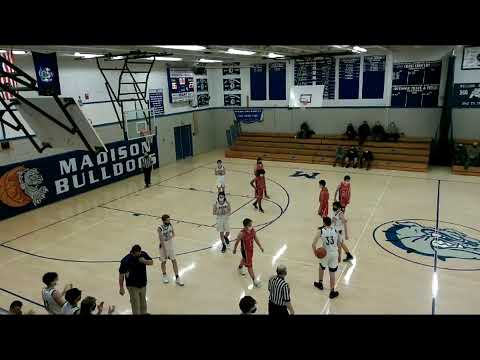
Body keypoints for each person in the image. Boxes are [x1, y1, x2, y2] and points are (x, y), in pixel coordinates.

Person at [119, 244, 154, 315]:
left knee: (143, 303)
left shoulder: (143, 254)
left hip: (143, 284)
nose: (139, 256)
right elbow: (121, 275)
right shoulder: (126, 261)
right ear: (132, 253)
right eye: (137, 255)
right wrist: (121, 288)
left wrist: (145, 261)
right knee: (136, 304)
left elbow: (151, 262)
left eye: (140, 254)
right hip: (132, 286)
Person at [312, 217, 340, 299]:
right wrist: (340, 255)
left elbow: (313, 244)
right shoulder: (335, 230)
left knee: (321, 267)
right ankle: (332, 291)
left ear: (324, 223)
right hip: (334, 254)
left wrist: (315, 253)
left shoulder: (321, 231)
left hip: (325, 254)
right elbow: (339, 244)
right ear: (330, 223)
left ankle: (320, 283)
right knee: (332, 273)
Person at [233, 218, 264, 288]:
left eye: (251, 224)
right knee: (249, 266)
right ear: (245, 226)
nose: (251, 226)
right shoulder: (242, 233)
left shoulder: (252, 230)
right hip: (245, 251)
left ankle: (240, 267)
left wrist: (260, 246)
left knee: (244, 259)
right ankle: (255, 280)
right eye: (250, 225)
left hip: (251, 249)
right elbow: (237, 242)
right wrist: (234, 249)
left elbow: (255, 238)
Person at [158, 215, 185, 286]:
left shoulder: (170, 225)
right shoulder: (160, 228)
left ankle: (177, 277)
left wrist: (170, 236)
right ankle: (164, 275)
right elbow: (161, 240)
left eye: (169, 220)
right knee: (164, 261)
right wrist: (165, 251)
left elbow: (173, 233)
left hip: (170, 246)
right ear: (163, 221)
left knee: (174, 261)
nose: (169, 221)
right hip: (163, 247)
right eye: (167, 220)